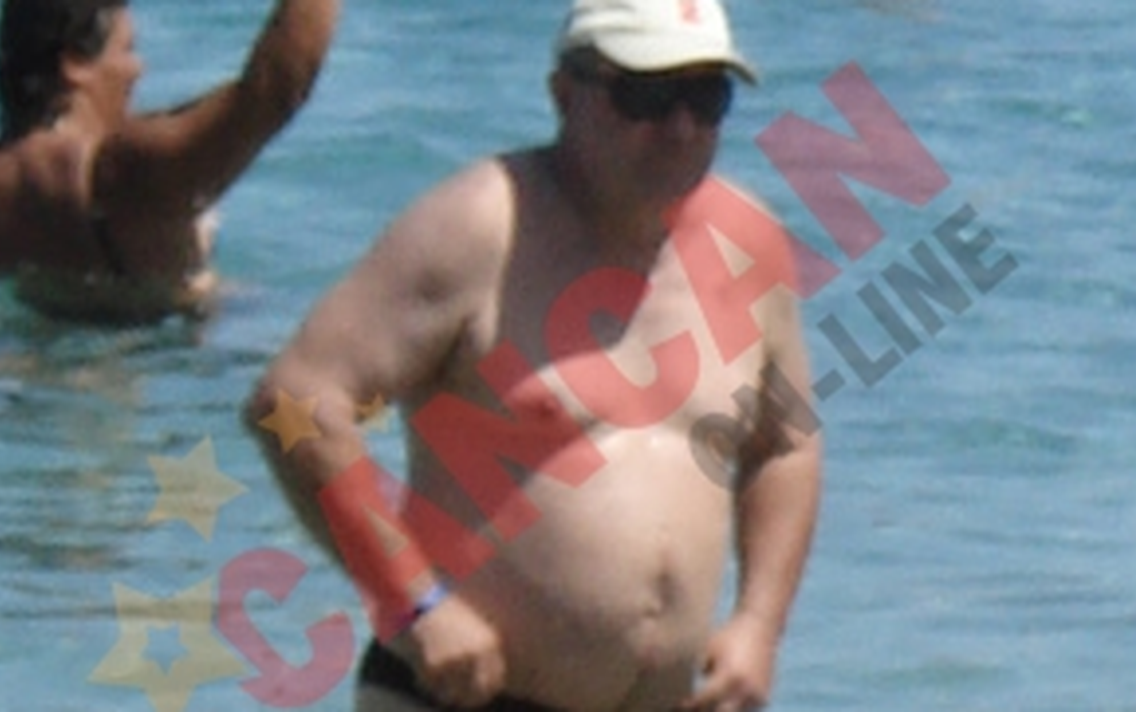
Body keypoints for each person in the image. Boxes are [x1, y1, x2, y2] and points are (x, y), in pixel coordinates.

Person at [246, 0, 822, 709]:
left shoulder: (747, 242)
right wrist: (413, 603)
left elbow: (783, 443)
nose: (680, 128)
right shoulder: (481, 227)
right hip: (463, 696)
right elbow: (291, 404)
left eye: (706, 98)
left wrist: (760, 624)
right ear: (564, 94)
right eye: (645, 96)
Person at [0, 0, 339, 323]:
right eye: (128, 49)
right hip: (138, 372)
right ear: (75, 64)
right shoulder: (120, 178)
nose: (139, 69)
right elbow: (275, 87)